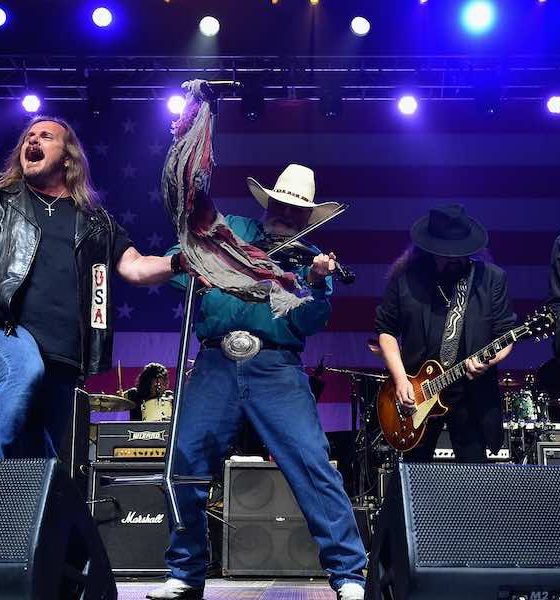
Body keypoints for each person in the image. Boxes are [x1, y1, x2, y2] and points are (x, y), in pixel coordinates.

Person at [148, 84, 366, 600]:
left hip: (275, 368)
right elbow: (188, 256)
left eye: (295, 211)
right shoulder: (234, 232)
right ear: (268, 202)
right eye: (281, 205)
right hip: (216, 362)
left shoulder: (312, 261)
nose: (285, 215)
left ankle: (349, 575)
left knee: (312, 462)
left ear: (306, 218)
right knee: (187, 459)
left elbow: (308, 323)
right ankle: (185, 571)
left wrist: (314, 282)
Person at [0, 116, 187, 459]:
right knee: (24, 374)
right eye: (28, 136)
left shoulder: (96, 221)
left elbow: (135, 266)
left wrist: (178, 262)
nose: (32, 141)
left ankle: (25, 509)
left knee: (39, 458)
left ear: (67, 156)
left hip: (65, 353)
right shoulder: (4, 201)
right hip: (10, 332)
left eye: (45, 136)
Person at [375, 204, 517, 463]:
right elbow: (386, 331)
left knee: (474, 480)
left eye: (460, 253)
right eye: (445, 254)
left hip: (470, 396)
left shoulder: (491, 279)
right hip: (417, 394)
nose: (454, 259)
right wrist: (401, 380)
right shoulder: (406, 278)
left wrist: (490, 361)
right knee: (415, 479)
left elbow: (505, 333)